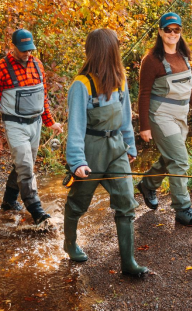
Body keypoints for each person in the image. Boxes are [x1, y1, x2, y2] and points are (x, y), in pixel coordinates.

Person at [64, 28, 149, 277]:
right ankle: (69, 243)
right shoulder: (81, 85)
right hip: (91, 151)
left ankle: (128, 263)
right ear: (107, 52)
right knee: (79, 203)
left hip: (116, 150)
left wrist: (130, 146)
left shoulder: (121, 80)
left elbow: (125, 119)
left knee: (126, 202)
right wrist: (76, 161)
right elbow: (76, 128)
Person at [137, 12, 192, 226]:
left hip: (181, 115)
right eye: (167, 29)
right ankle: (183, 208)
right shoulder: (150, 60)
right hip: (160, 116)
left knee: (171, 157)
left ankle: (148, 184)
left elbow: (187, 88)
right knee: (179, 160)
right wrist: (145, 127)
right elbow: (143, 94)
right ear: (160, 31)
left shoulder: (184, 55)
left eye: (176, 30)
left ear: (180, 32)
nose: (172, 33)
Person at [0, 29, 63, 225]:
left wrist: (50, 122)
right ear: (13, 47)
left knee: (23, 165)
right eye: (23, 49)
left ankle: (9, 201)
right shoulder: (0, 69)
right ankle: (36, 210)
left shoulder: (38, 65)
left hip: (35, 125)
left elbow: (42, 97)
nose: (27, 53)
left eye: (29, 49)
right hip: (14, 125)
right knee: (26, 167)